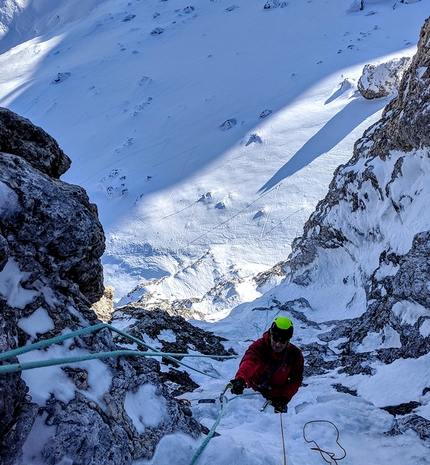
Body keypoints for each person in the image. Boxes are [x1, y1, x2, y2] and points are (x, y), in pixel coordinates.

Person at [230, 316, 304, 413]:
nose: (278, 344)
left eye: (283, 341)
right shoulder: (259, 346)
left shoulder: (295, 355)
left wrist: (285, 397)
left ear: (288, 341)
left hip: (276, 398)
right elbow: (249, 361)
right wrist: (240, 379)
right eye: (275, 339)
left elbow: (296, 379)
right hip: (251, 391)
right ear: (270, 335)